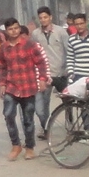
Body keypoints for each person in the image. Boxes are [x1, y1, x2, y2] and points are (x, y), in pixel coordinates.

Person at [0, 17, 48, 160]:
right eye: (11, 29)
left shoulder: (30, 45)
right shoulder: (4, 48)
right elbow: (3, 67)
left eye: (16, 28)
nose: (14, 31)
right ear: (6, 31)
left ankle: (29, 148)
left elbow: (41, 63)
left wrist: (42, 79)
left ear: (19, 28)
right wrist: (2, 84)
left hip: (28, 87)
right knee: (8, 114)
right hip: (11, 87)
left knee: (28, 119)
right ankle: (16, 145)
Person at [31, 7, 67, 139]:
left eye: (45, 17)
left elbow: (69, 50)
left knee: (68, 102)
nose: (43, 20)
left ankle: (70, 125)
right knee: (40, 107)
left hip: (61, 73)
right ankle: (45, 127)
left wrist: (68, 69)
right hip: (44, 75)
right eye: (40, 18)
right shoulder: (35, 34)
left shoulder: (61, 32)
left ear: (50, 17)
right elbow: (34, 54)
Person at [63, 12, 89, 86]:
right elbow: (70, 58)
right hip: (78, 76)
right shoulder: (72, 39)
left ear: (86, 23)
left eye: (81, 23)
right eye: (77, 24)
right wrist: (71, 73)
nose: (79, 26)